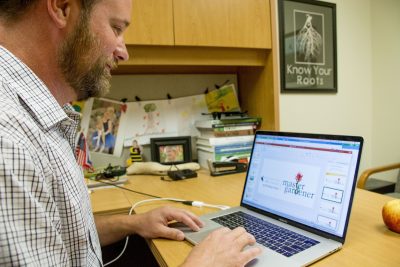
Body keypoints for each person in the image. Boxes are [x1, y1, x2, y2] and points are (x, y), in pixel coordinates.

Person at [0, 1, 261, 266]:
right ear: (62, 7)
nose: (123, 53)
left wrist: (134, 223)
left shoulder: (41, 120)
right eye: (116, 28)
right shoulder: (9, 141)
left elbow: (66, 236)